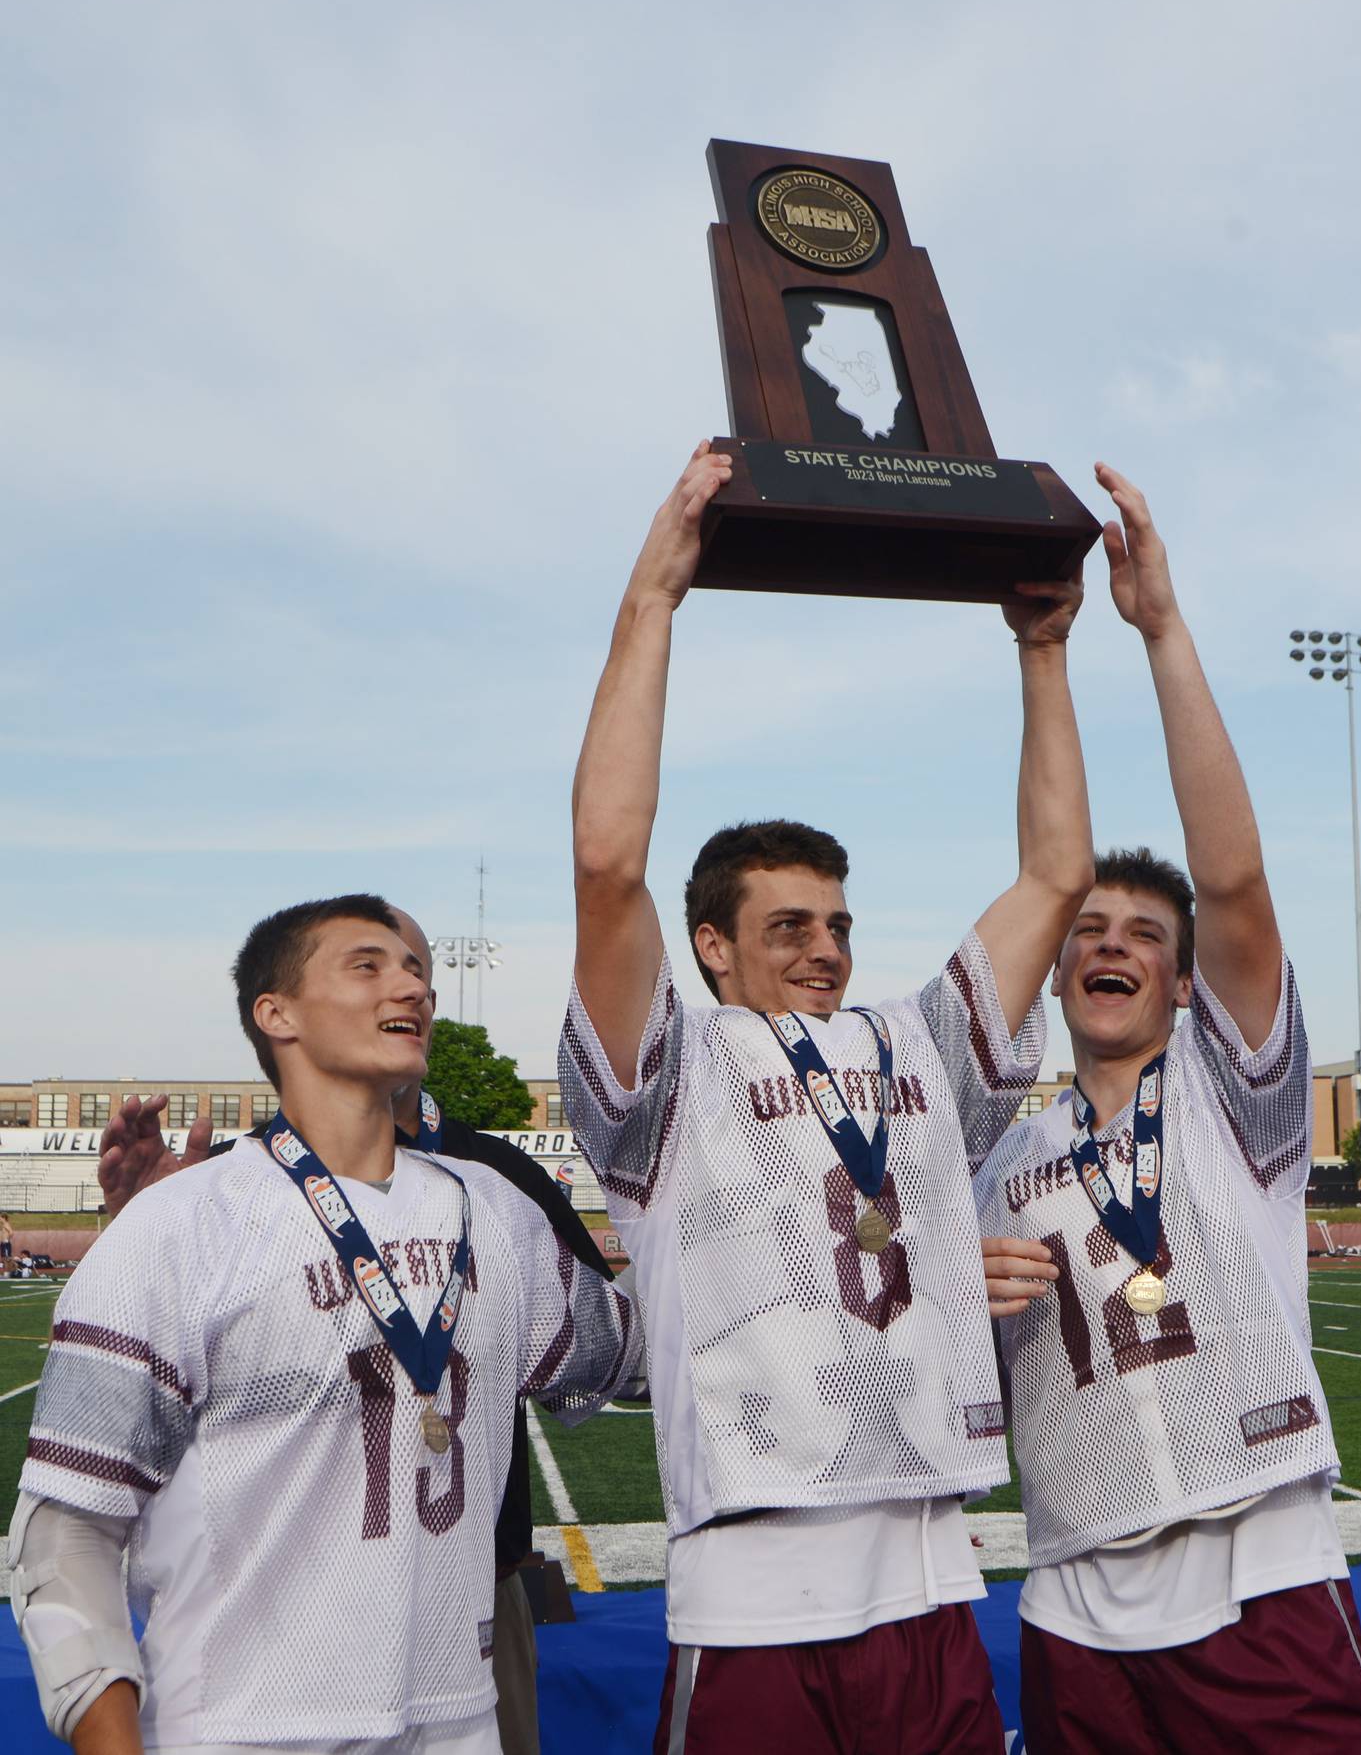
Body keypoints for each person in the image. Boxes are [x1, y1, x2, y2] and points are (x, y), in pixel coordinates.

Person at [558, 442, 1089, 1753]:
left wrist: (1043, 653)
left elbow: (1057, 872)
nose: (823, 945)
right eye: (786, 923)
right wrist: (655, 600)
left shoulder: (917, 1036)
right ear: (713, 946)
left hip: (926, 1563)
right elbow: (606, 859)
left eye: (839, 921)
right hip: (752, 1583)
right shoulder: (677, 1070)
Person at [9, 893, 640, 1754]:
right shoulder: (176, 1224)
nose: (412, 987)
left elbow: (637, 1355)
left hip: (459, 1716)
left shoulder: (495, 1210)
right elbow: (66, 1538)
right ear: (277, 1013)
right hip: (240, 1727)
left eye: (417, 969)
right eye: (369, 965)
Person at [975, 466, 1361, 1753]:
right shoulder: (998, 1162)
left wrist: (1159, 631)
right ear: (1053, 968)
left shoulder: (1236, 1099)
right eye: (1085, 930)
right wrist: (954, 1284)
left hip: (1258, 1576)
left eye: (1144, 935)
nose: (1110, 946)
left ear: (1182, 974)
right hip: (1077, 1602)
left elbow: (1237, 880)